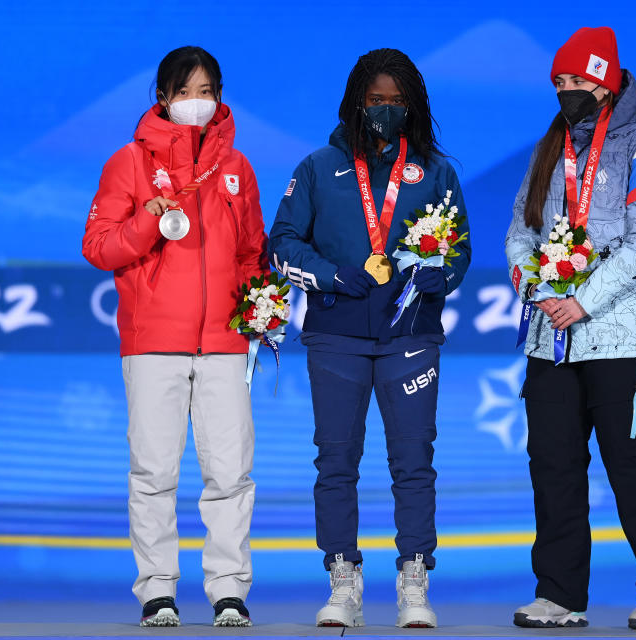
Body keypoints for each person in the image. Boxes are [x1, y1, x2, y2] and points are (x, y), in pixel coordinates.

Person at [268, 48, 471, 629]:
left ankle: (413, 579)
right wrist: (333, 276)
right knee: (336, 461)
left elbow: (459, 248)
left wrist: (440, 274)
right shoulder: (318, 167)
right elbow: (282, 243)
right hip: (336, 336)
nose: (385, 111)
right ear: (357, 101)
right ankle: (342, 578)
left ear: (413, 106)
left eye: (396, 102)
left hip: (410, 336)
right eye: (376, 101)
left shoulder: (435, 171)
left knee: (413, 462)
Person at [505, 27, 636, 630]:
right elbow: (520, 230)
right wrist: (531, 282)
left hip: (620, 337)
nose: (568, 91)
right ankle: (560, 595)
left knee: (629, 456)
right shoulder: (548, 150)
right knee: (553, 462)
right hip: (550, 339)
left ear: (607, 82)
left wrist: (583, 300)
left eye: (579, 81)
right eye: (559, 83)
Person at [82, 46, 266, 628]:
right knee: (154, 472)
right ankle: (157, 591)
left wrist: (258, 307)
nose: (197, 103)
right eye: (185, 91)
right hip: (153, 340)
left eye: (207, 91)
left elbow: (252, 253)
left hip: (223, 342)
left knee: (230, 473)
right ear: (162, 97)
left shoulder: (237, 167)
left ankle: (229, 591)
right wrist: (145, 222)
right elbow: (99, 246)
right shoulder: (128, 165)